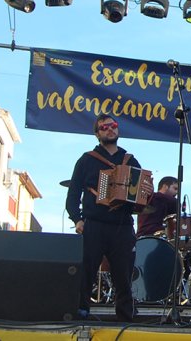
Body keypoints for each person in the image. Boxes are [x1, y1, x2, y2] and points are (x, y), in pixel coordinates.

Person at [66, 114, 152, 322]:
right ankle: (81, 313)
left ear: (118, 130)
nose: (109, 129)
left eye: (113, 126)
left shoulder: (130, 160)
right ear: (97, 134)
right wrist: (77, 219)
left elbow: (140, 200)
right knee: (86, 272)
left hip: (122, 227)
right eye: (104, 127)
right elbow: (73, 194)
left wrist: (146, 191)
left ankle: (125, 317)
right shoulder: (86, 160)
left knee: (123, 276)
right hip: (94, 225)